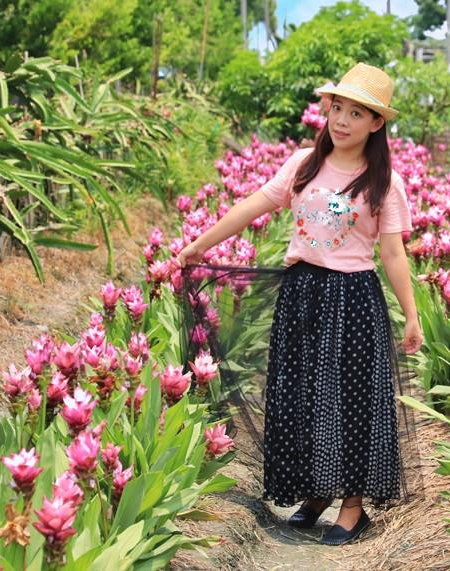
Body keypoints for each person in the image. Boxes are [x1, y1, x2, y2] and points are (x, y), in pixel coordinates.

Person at [176, 61, 423, 546]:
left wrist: (412, 314)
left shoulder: (384, 182)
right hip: (301, 294)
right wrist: (200, 245)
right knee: (301, 395)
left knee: (352, 400)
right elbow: (253, 204)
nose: (342, 120)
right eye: (337, 108)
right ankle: (315, 493)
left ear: (377, 123)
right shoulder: (304, 164)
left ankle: (353, 507)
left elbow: (393, 252)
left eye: (358, 113)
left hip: (353, 297)